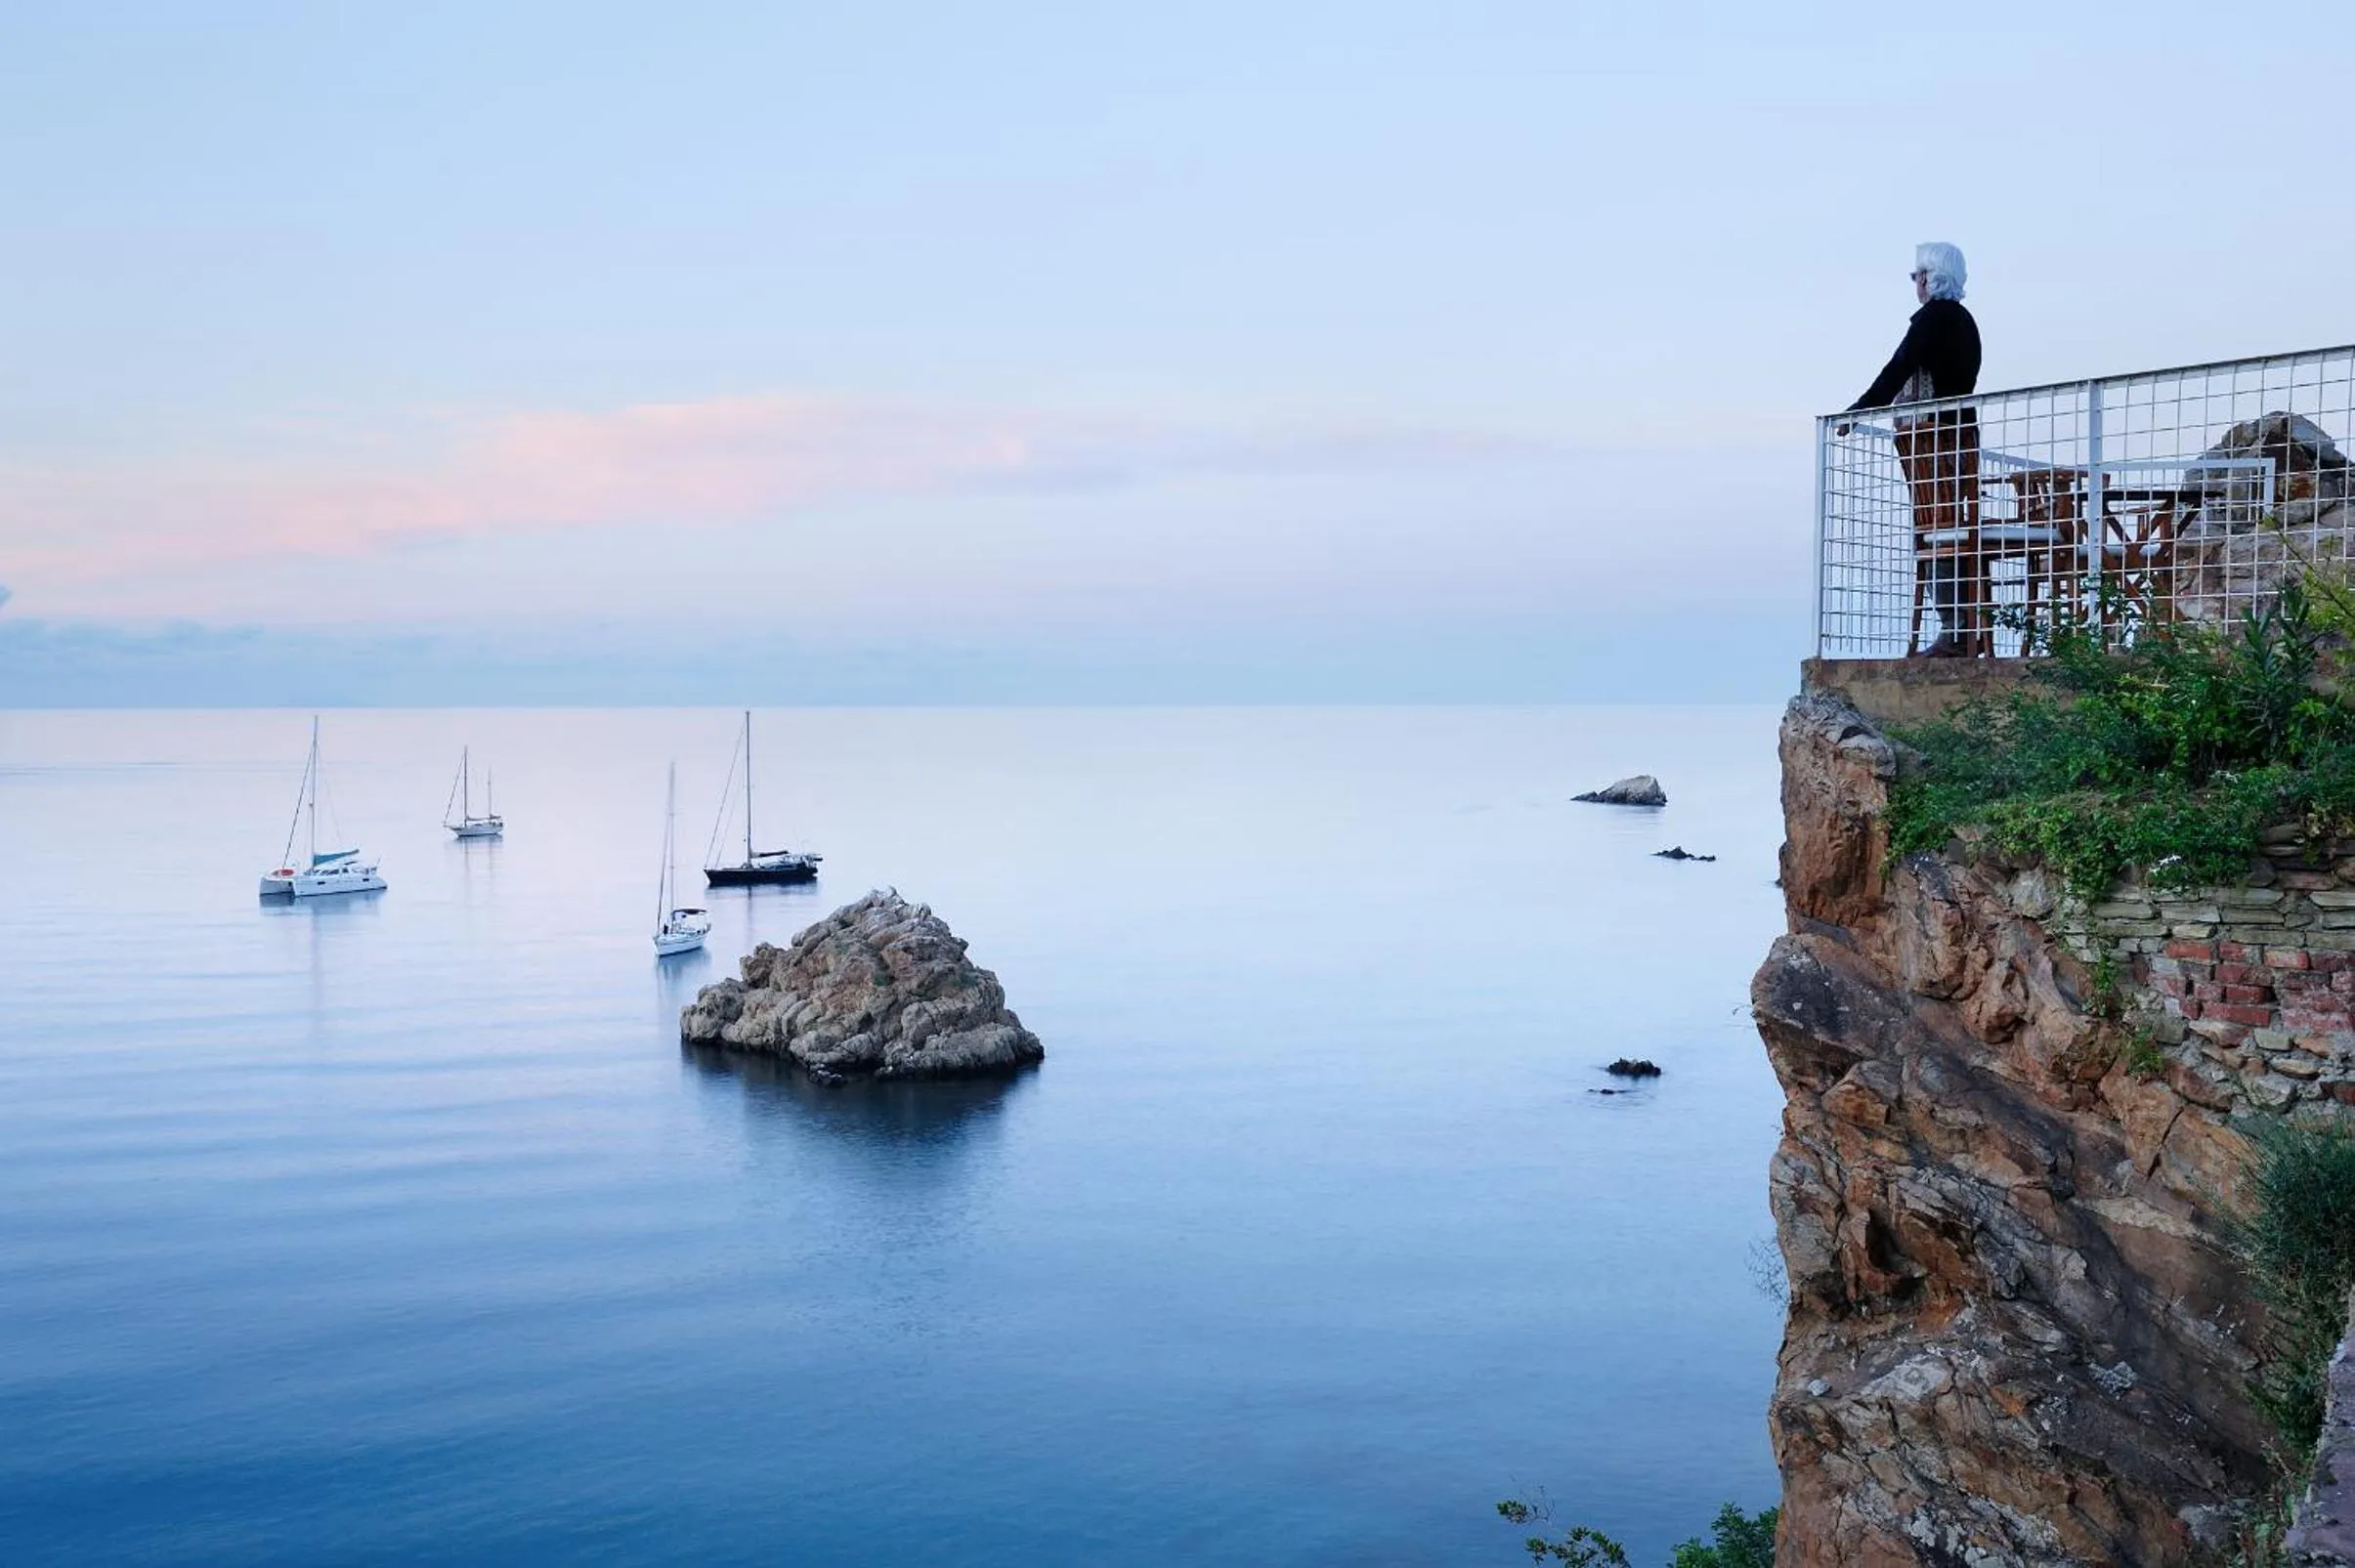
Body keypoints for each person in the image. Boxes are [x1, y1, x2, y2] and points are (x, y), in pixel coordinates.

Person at [1848, 242, 1983, 656]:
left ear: (1929, 277)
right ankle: (1966, 627)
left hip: (1932, 438)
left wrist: (1859, 410)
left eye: (1916, 276)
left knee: (1936, 529)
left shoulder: (1932, 320)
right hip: (1959, 435)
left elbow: (1898, 368)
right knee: (1950, 527)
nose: (1915, 283)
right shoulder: (1965, 321)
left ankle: (1955, 629)